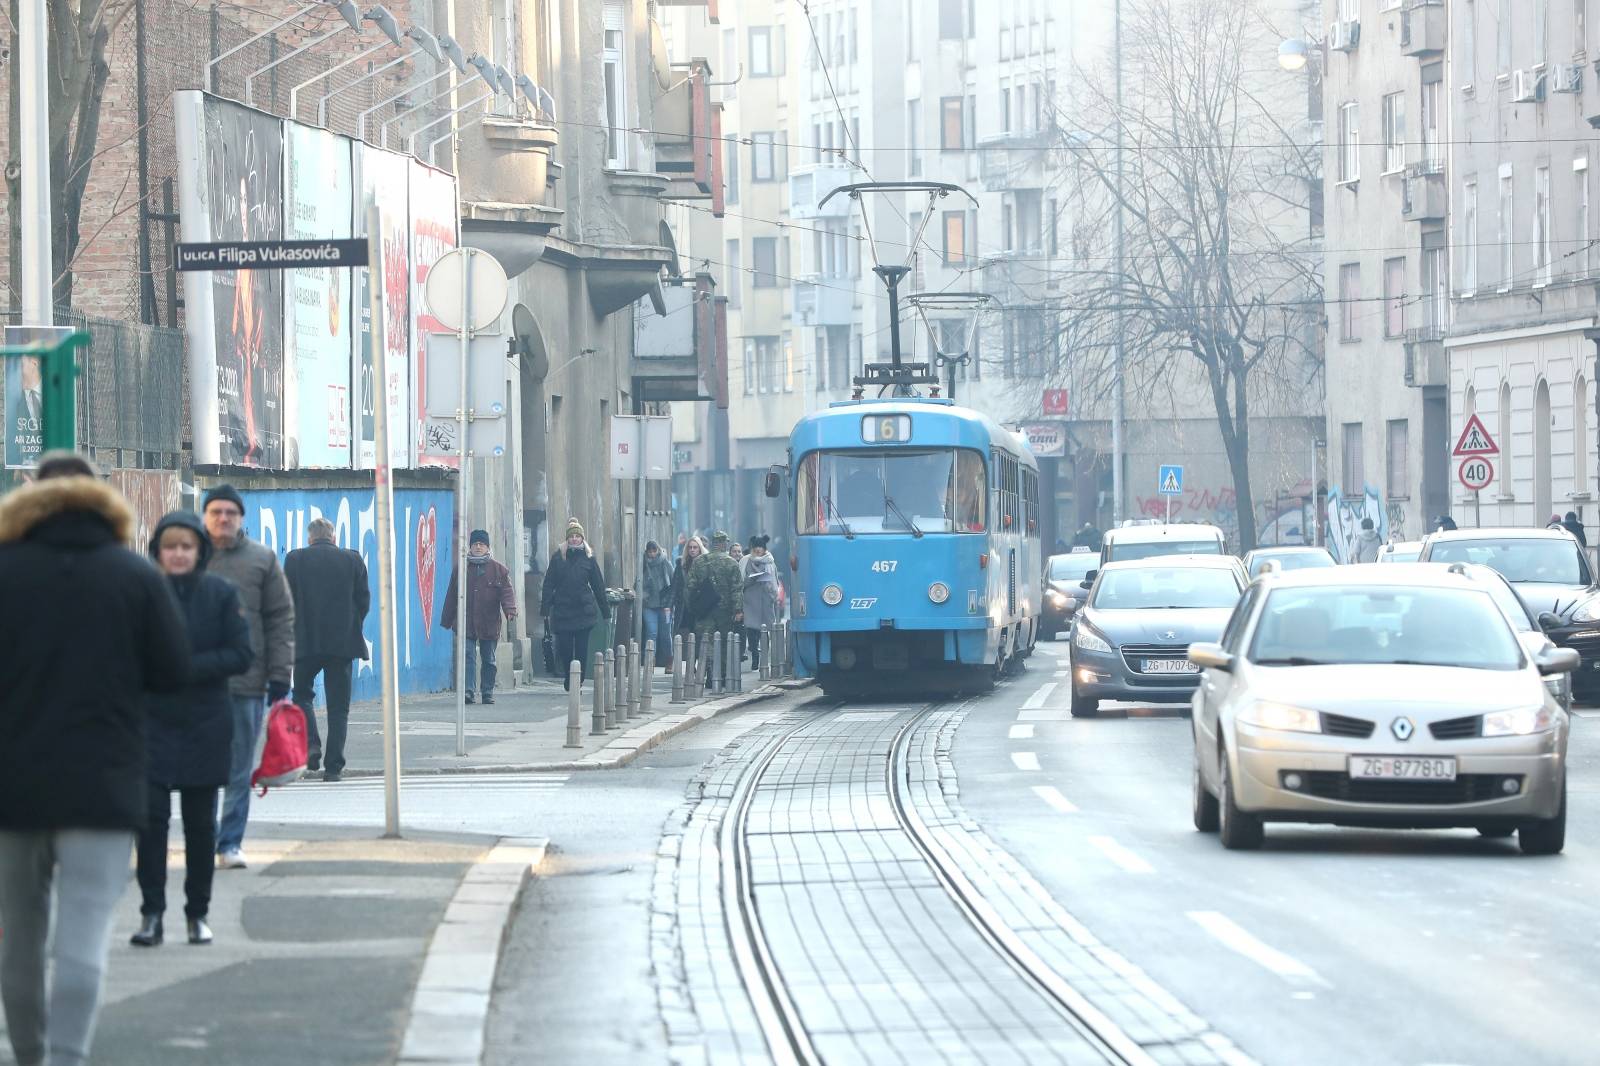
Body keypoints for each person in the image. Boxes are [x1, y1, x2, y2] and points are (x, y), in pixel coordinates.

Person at [0, 453, 190, 1066]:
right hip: (104, 782)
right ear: (98, 497)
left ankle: (27, 1056)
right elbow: (172, 674)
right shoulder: (135, 577)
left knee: (18, 939)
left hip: (12, 785)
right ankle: (67, 1059)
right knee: (83, 935)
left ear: (28, 496)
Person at [132, 511, 252, 949]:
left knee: (201, 827)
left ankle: (197, 913)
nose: (179, 554)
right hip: (152, 723)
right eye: (170, 546)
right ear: (157, 551)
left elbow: (241, 654)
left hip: (204, 721)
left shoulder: (220, 593)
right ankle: (151, 914)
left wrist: (190, 668)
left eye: (186, 546)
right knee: (150, 825)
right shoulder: (142, 595)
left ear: (199, 550)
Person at [203, 484, 295, 871]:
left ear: (241, 517)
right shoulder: (186, 555)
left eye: (230, 512)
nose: (223, 518)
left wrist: (280, 674)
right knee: (203, 768)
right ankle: (201, 839)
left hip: (247, 680)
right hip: (197, 682)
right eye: (216, 512)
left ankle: (229, 843)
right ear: (205, 516)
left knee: (239, 767)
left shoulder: (261, 560)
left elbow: (280, 619)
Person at [284, 517, 370, 781]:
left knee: (301, 696)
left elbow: (285, 599)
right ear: (333, 538)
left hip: (305, 641)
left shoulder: (295, 560)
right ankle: (333, 767)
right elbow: (363, 600)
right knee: (338, 707)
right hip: (342, 644)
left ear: (310, 538)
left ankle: (311, 745)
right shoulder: (353, 560)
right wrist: (350, 625)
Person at [442, 529, 518, 705]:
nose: (478, 547)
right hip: (466, 622)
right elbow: (452, 595)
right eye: (475, 544)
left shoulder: (499, 570)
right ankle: (468, 691)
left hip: (489, 621)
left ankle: (487, 691)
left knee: (489, 659)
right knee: (468, 656)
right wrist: (447, 619)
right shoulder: (460, 569)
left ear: (487, 547)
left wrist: (510, 611)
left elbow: (507, 593)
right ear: (470, 546)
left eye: (481, 544)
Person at [540, 520, 608, 691]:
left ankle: (580, 677)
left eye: (578, 536)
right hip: (563, 609)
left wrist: (605, 610)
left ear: (582, 538)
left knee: (582, 648)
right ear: (567, 539)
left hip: (583, 610)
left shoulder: (589, 559)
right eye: (572, 536)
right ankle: (569, 677)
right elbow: (549, 583)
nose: (575, 539)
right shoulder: (558, 558)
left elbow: (598, 585)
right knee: (565, 648)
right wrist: (545, 608)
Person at [686, 531, 744, 675]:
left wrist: (692, 608)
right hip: (725, 611)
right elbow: (737, 589)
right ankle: (722, 675)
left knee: (706, 641)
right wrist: (738, 610)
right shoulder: (731, 563)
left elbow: (690, 587)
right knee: (724, 642)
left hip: (704, 610)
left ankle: (708, 671)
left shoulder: (699, 561)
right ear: (724, 543)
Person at [742, 536, 780, 670]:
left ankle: (764, 658)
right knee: (752, 632)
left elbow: (775, 582)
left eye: (761, 549)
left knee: (764, 631)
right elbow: (741, 581)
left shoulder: (770, 562)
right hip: (750, 602)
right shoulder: (745, 561)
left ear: (764, 550)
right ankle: (755, 655)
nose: (758, 551)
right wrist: (751, 580)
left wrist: (773, 594)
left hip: (765, 601)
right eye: (756, 549)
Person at [640, 540, 675, 670]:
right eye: (650, 552)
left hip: (665, 605)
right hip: (649, 605)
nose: (652, 554)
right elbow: (637, 582)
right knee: (651, 633)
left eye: (654, 551)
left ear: (658, 550)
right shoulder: (643, 563)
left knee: (666, 634)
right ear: (647, 552)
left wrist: (670, 603)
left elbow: (673, 582)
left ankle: (669, 661)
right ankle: (650, 662)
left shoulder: (665, 562)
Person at [672, 535, 707, 638]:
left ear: (700, 548)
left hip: (700, 605)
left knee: (699, 635)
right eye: (690, 547)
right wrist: (669, 605)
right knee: (682, 636)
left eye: (695, 547)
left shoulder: (706, 563)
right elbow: (674, 586)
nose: (692, 550)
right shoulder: (681, 564)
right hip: (684, 605)